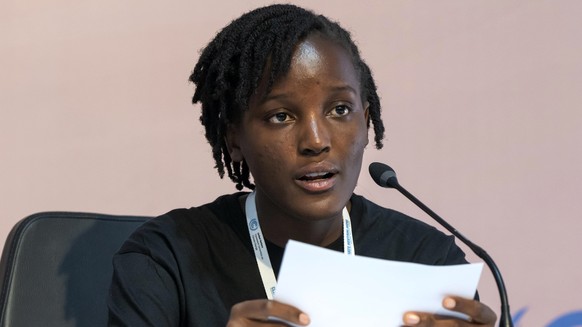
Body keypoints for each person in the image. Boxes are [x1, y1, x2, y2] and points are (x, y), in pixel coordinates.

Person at [107, 4, 497, 326]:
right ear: (234, 140)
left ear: (365, 123)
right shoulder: (165, 259)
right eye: (281, 116)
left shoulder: (426, 261)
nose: (316, 141)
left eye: (340, 109)